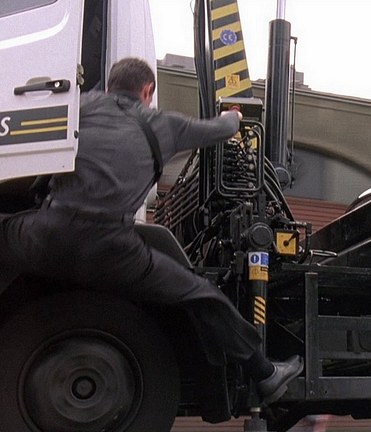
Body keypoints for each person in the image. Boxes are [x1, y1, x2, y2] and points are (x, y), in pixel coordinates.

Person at [0, 57, 302, 408]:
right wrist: (234, 116)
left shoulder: (79, 107)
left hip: (47, 234)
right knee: (200, 294)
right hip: (112, 248)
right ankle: (266, 375)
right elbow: (221, 129)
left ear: (110, 85)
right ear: (148, 90)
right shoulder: (164, 125)